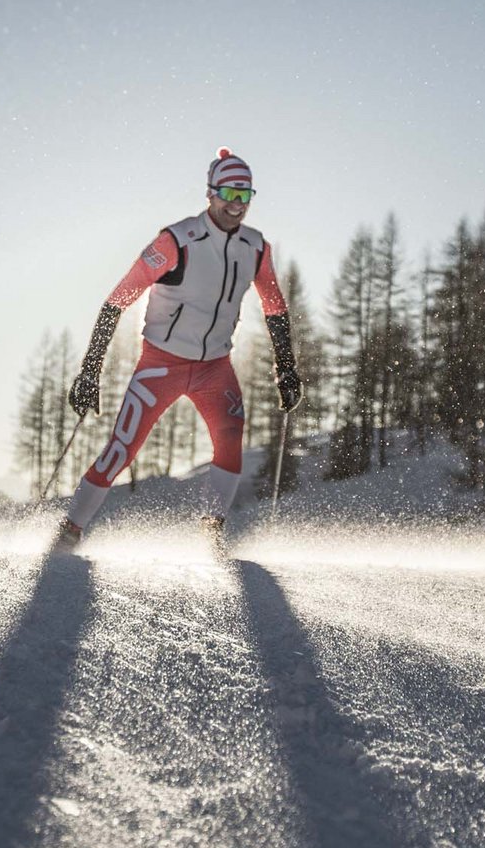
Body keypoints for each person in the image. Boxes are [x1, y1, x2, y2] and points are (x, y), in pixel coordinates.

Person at [55, 148, 302, 549]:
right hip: (161, 362)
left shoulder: (256, 248)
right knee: (122, 448)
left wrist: (286, 368)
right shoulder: (177, 240)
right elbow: (118, 300)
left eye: (245, 196)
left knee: (229, 439)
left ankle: (212, 533)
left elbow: (275, 307)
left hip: (214, 367)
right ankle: (70, 532)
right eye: (228, 194)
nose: (236, 205)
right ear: (210, 193)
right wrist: (90, 370)